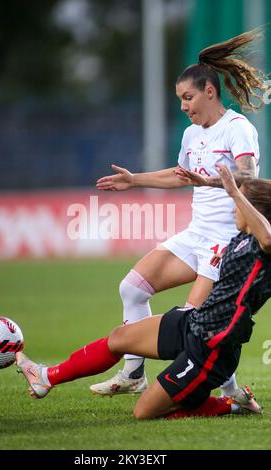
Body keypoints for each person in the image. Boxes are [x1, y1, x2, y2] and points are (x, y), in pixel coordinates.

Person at [91, 28, 267, 398]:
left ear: (209, 91)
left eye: (188, 98)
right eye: (179, 100)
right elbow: (180, 174)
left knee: (192, 323)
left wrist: (208, 183)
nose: (184, 106)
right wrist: (134, 179)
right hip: (196, 235)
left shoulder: (238, 129)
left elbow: (247, 180)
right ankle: (134, 375)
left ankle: (230, 391)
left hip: (227, 241)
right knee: (133, 289)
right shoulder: (192, 135)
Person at [16, 165, 271, 419]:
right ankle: (46, 378)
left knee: (144, 412)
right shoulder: (241, 236)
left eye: (237, 203)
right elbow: (245, 181)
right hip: (194, 322)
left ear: (255, 210)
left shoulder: (264, 248)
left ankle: (233, 404)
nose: (232, 207)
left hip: (212, 347)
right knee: (119, 338)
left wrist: (237, 195)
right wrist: (208, 181)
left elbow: (268, 238)